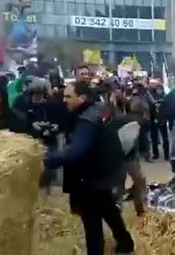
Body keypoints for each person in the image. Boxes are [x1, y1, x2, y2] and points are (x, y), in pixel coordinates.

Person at [43, 81, 134, 255]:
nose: (64, 100)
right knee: (107, 208)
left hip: (90, 177)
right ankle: (125, 242)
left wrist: (46, 159)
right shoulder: (96, 110)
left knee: (92, 222)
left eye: (68, 96)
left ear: (82, 98)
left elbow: (76, 151)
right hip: (103, 172)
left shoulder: (87, 120)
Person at [149, 84, 170, 160]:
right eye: (158, 89)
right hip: (154, 120)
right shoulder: (152, 98)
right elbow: (151, 109)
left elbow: (167, 110)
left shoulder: (166, 98)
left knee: (165, 138)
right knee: (154, 138)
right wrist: (153, 118)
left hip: (163, 120)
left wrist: (164, 119)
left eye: (160, 89)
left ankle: (166, 154)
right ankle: (155, 154)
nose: (159, 91)